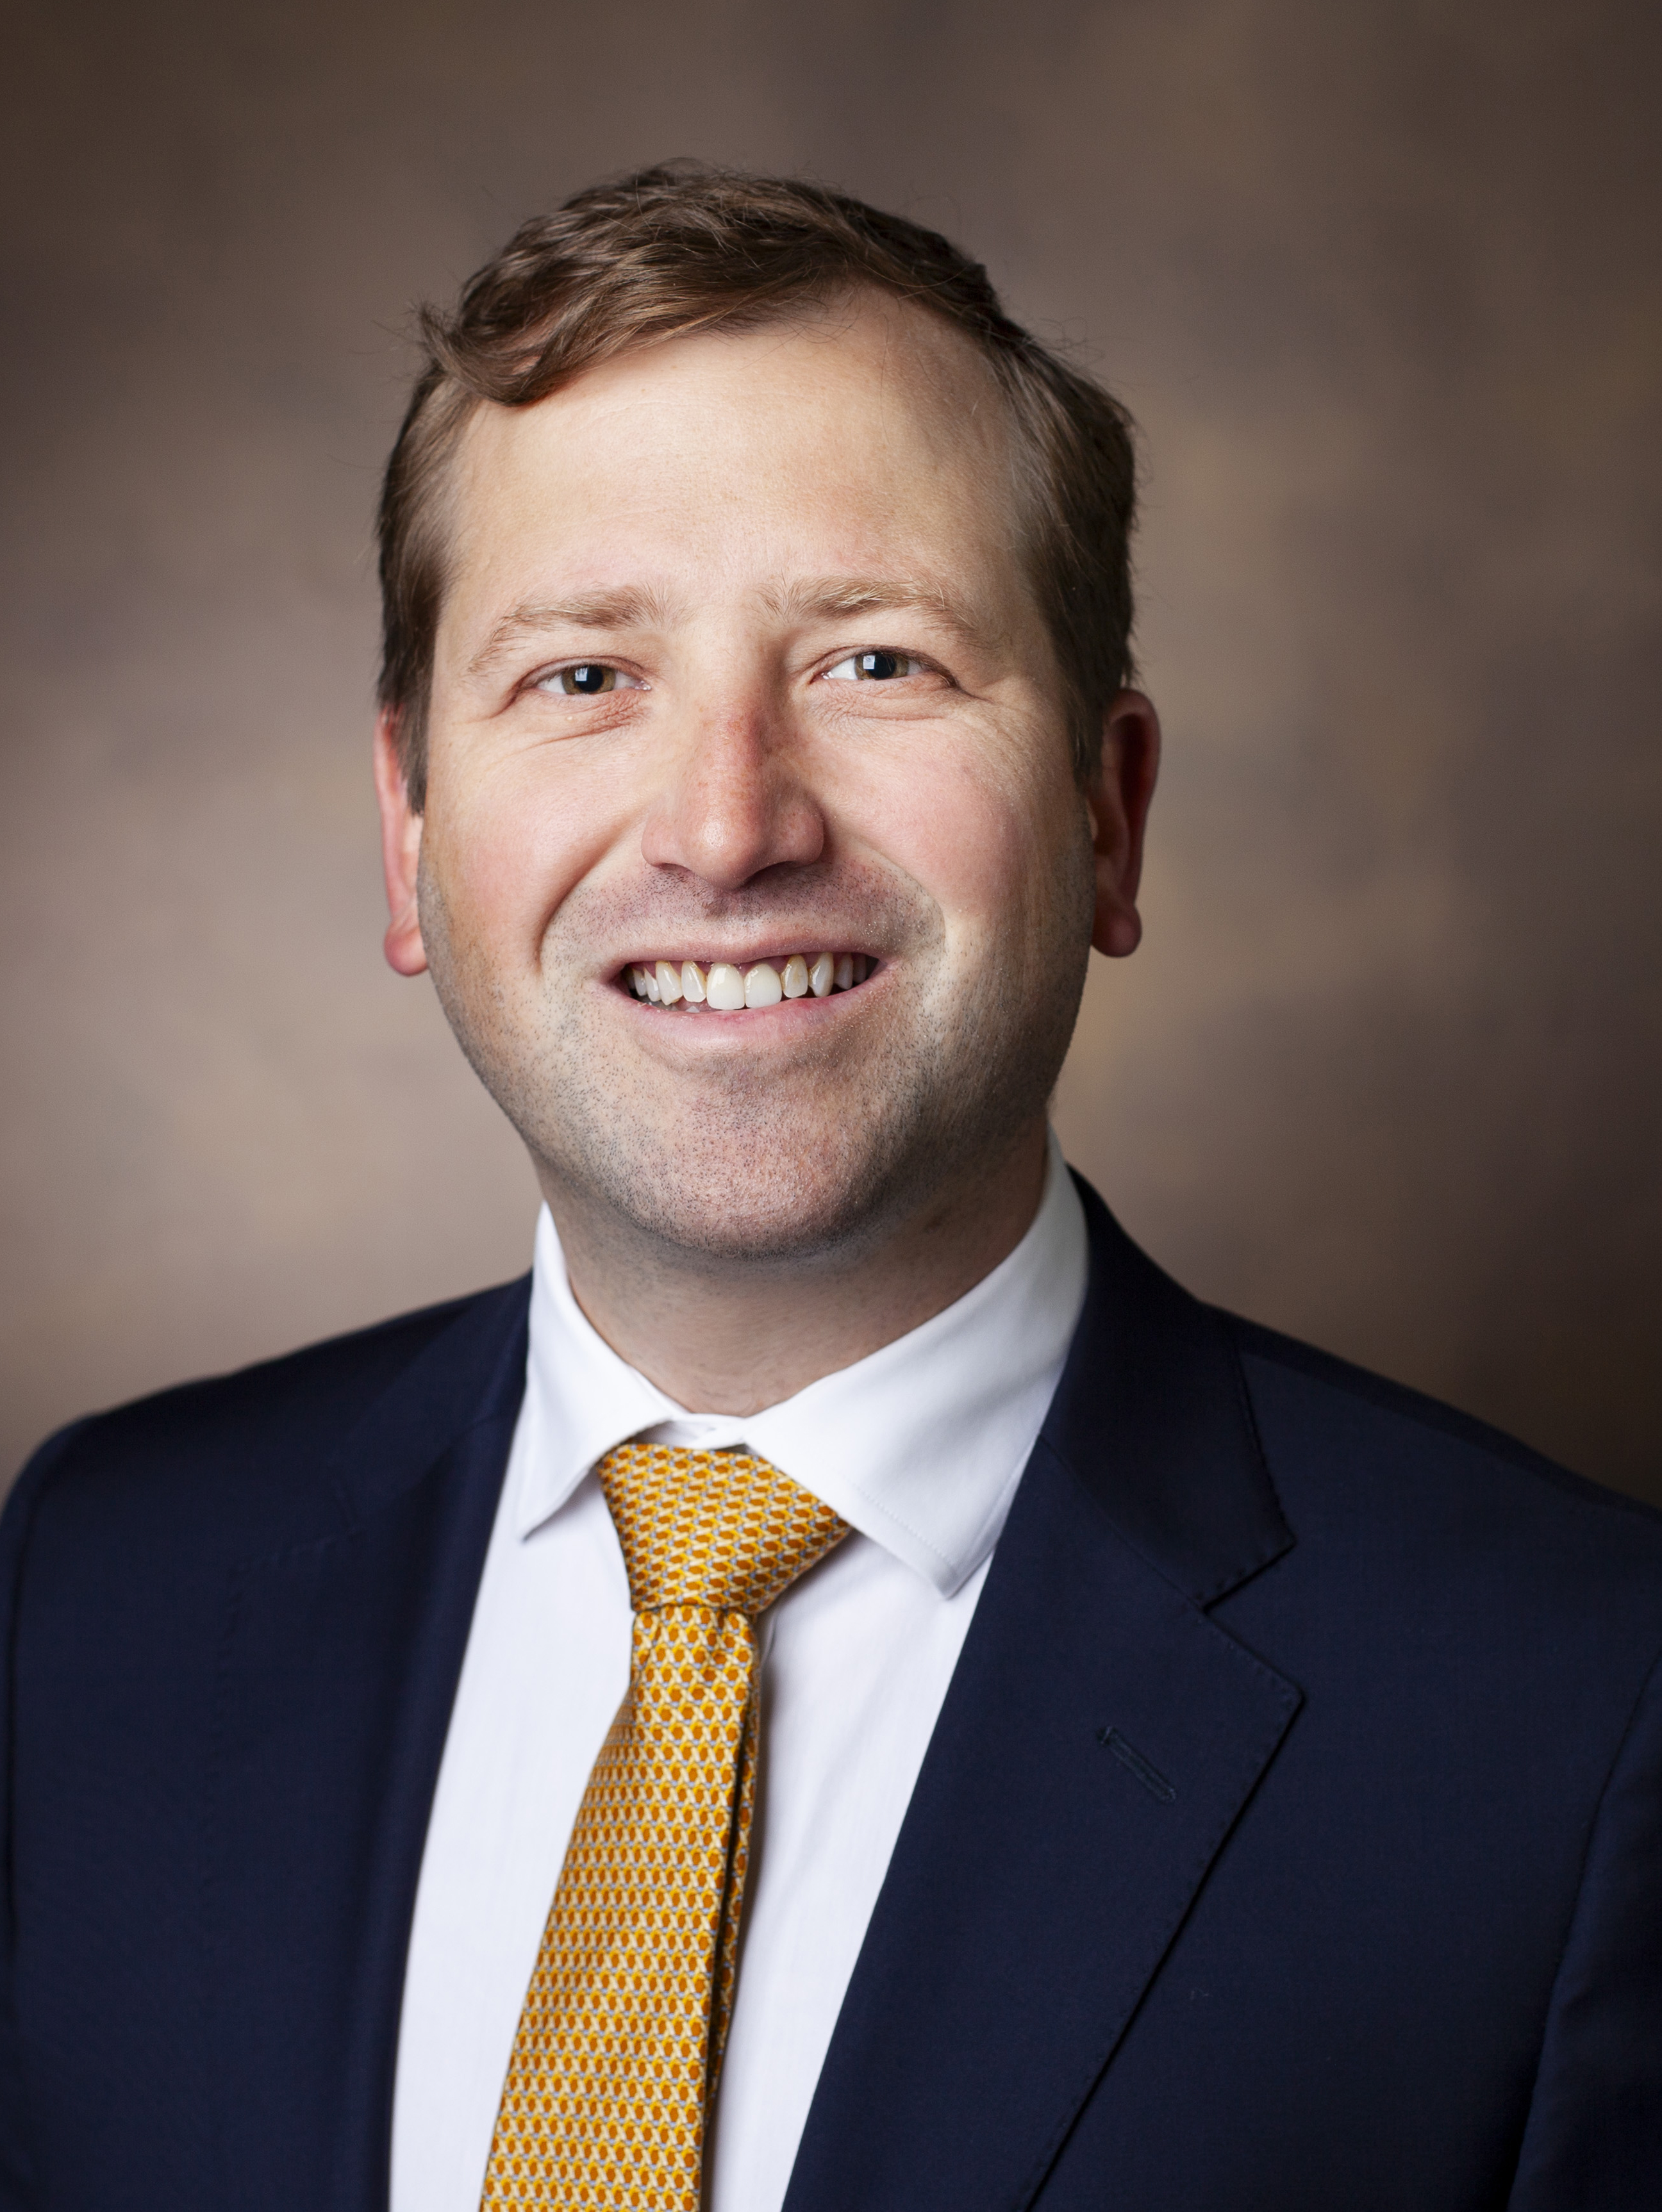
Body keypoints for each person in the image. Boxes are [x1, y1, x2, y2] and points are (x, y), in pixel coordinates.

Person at [2, 165, 1659, 2212]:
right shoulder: (99, 1590)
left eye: (875, 663)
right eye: (582, 676)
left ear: (1107, 813)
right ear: (408, 828)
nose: (726, 826)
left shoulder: (1577, 1710)